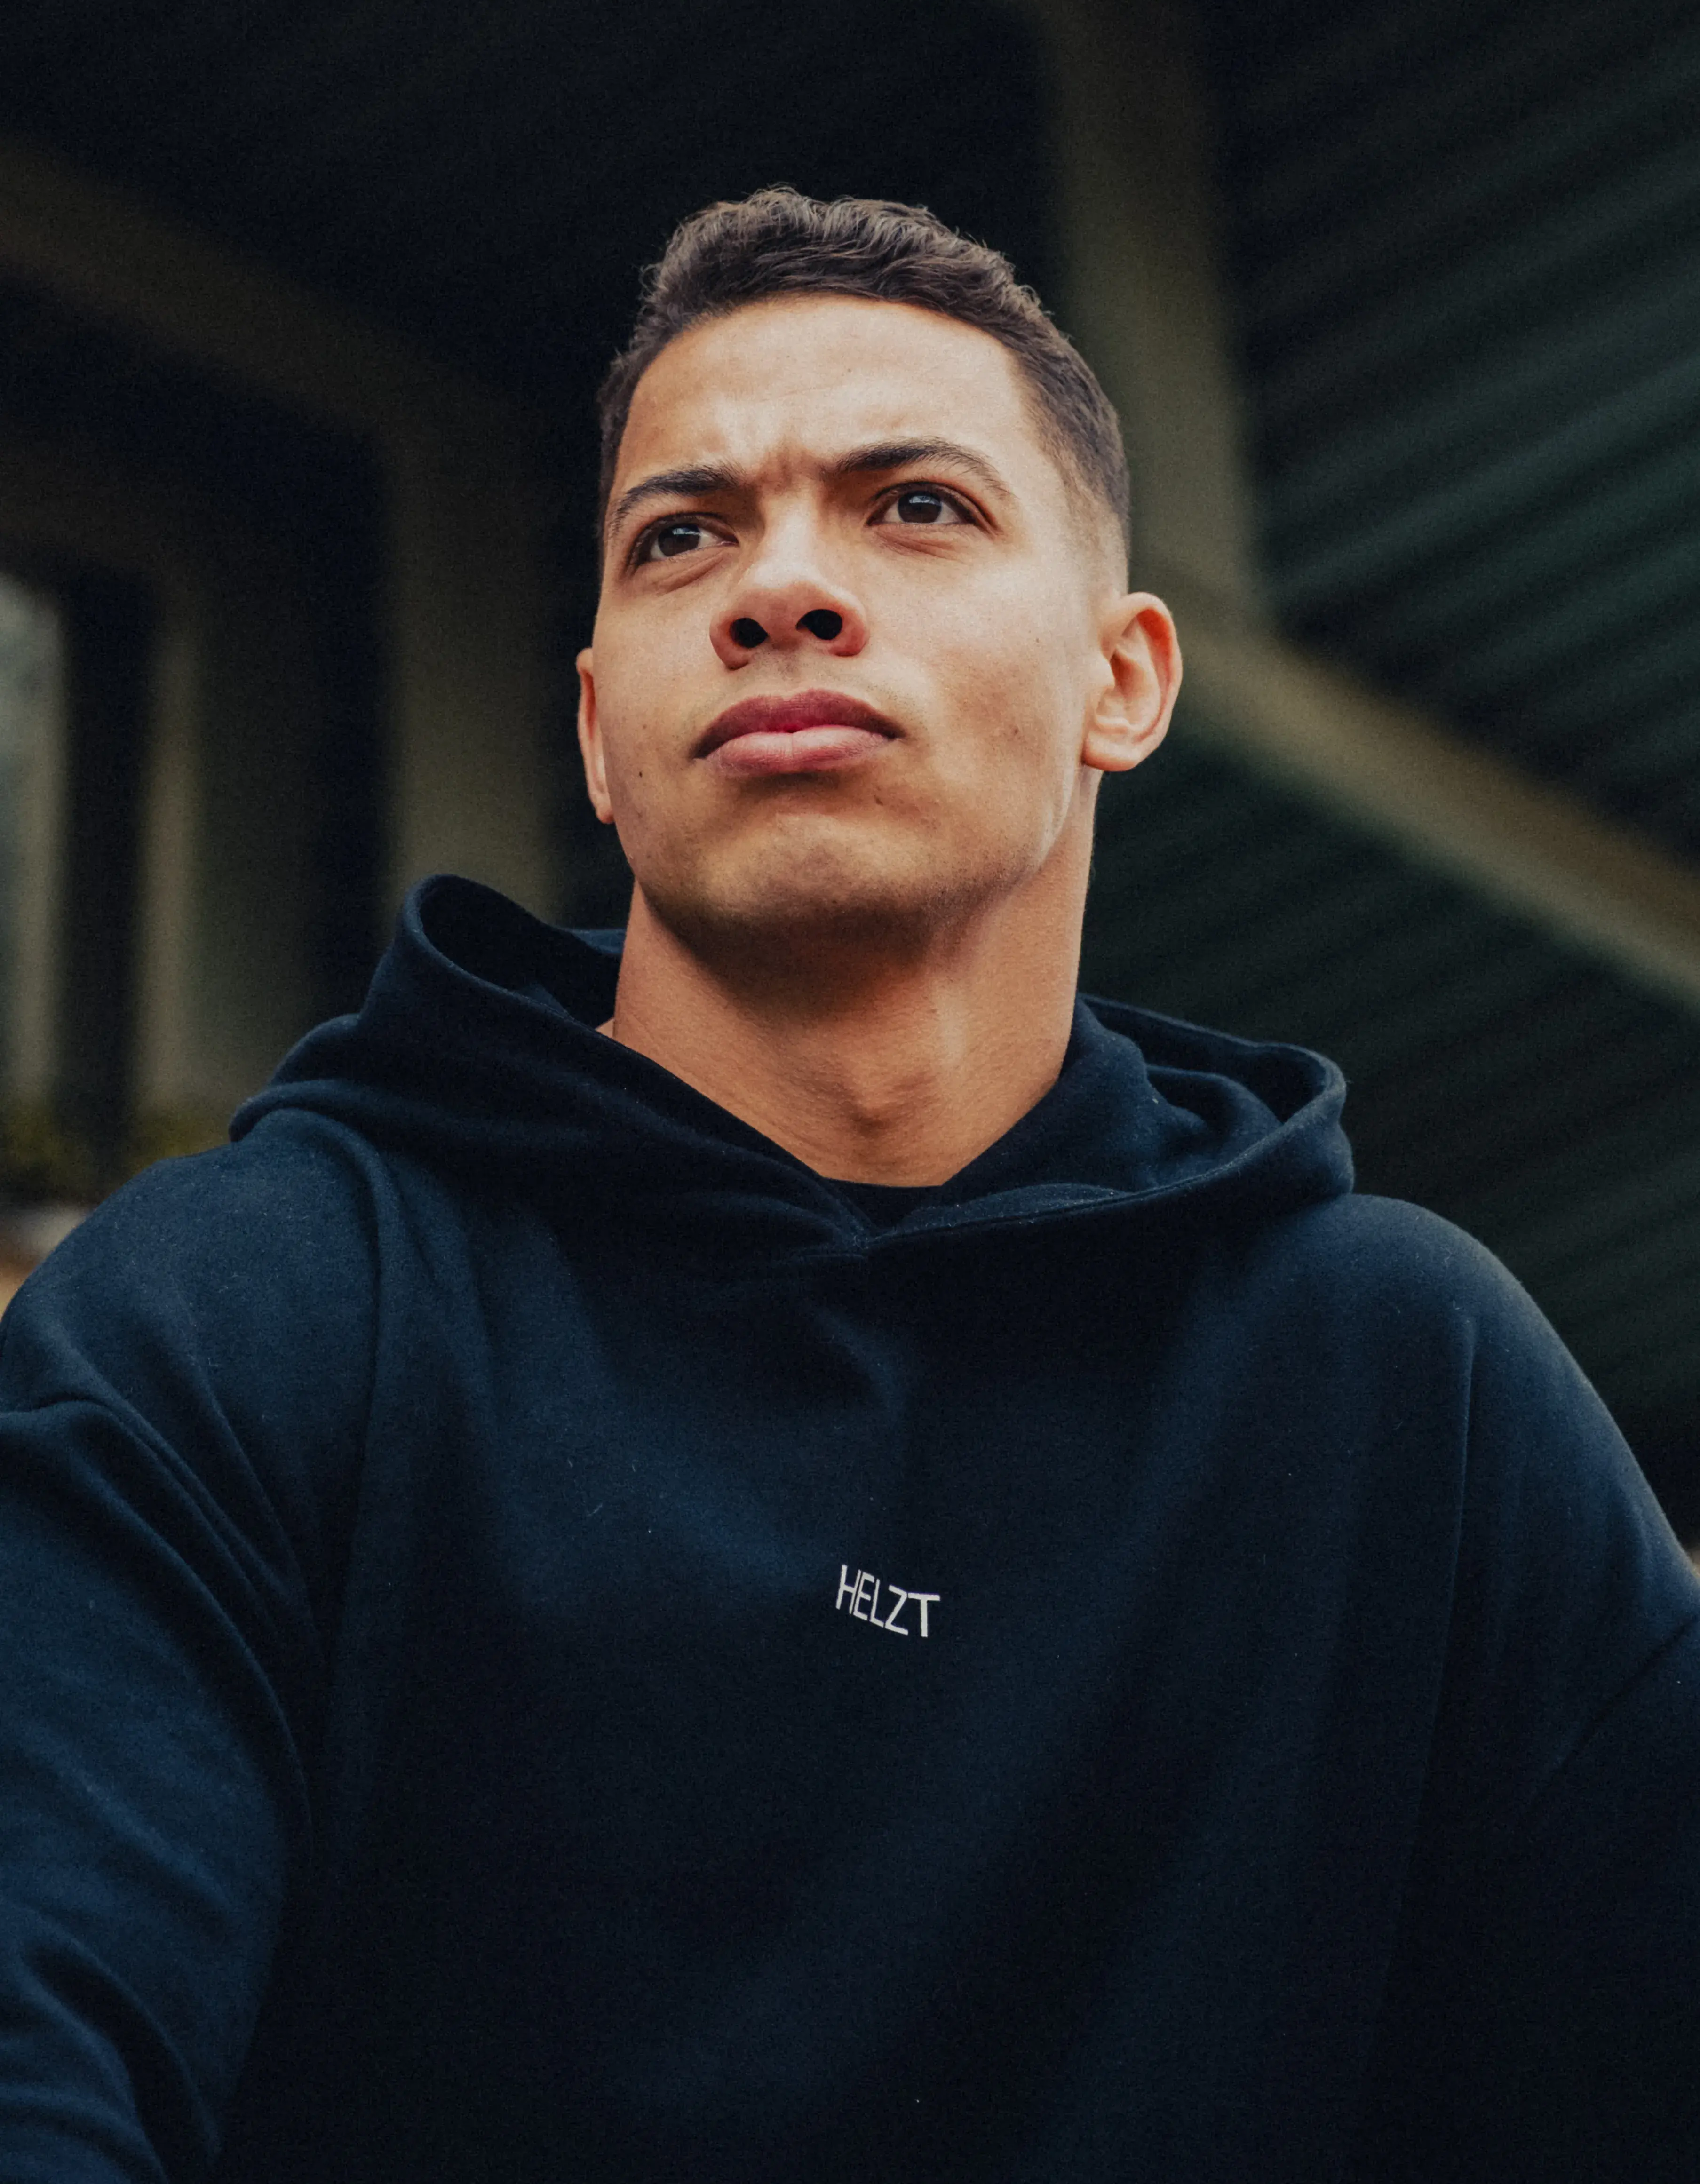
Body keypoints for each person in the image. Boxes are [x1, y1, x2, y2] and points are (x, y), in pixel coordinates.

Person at [0, 189, 1696, 2184]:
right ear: (601, 736)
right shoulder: (253, 1303)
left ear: (1124, 680)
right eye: (682, 536)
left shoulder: (1404, 1386)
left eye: (915, 509)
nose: (779, 589)